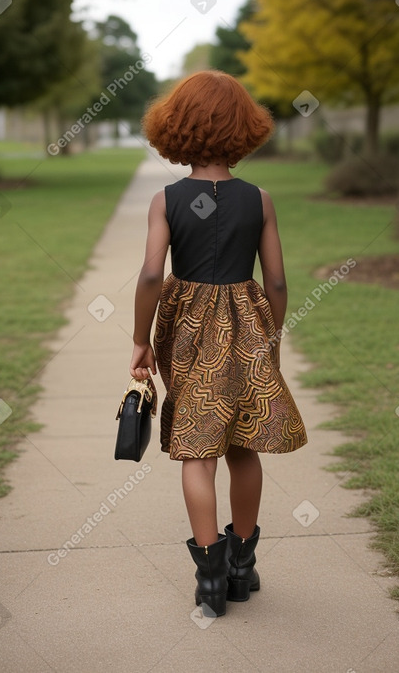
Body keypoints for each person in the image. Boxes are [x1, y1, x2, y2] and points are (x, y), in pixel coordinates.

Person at [129, 70, 307, 618]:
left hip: (186, 332)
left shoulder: (167, 199)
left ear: (174, 128)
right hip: (246, 329)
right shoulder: (259, 199)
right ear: (243, 128)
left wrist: (140, 340)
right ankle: (240, 568)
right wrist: (270, 340)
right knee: (243, 445)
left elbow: (151, 276)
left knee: (197, 452)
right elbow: (276, 281)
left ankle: (208, 580)